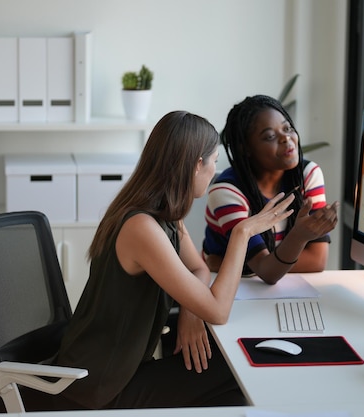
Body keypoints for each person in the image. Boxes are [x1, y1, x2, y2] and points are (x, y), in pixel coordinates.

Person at [54, 111, 295, 409]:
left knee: (225, 383)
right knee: (235, 371)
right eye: (214, 162)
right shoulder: (142, 227)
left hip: (121, 371)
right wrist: (242, 232)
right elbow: (218, 311)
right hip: (101, 385)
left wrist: (191, 312)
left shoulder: (162, 215)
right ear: (197, 165)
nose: (215, 172)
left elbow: (199, 268)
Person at [203, 95, 339, 284]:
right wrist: (297, 238)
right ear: (245, 148)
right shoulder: (226, 192)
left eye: (287, 128)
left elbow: (317, 260)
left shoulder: (308, 175)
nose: (286, 138)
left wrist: (232, 263)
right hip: (227, 286)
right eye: (270, 136)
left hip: (270, 284)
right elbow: (267, 272)